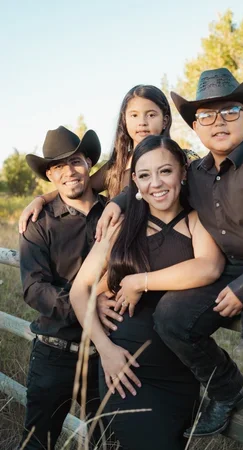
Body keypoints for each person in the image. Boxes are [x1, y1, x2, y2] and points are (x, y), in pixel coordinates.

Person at [95, 68, 243, 450]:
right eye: (206, 115)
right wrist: (119, 202)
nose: (217, 121)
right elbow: (157, 178)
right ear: (196, 126)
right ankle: (227, 388)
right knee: (171, 316)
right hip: (232, 270)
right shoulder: (198, 171)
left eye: (230, 111)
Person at [69, 135, 225, 450]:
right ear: (136, 184)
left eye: (165, 171)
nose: (156, 183)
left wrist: (139, 281)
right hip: (126, 370)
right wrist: (105, 349)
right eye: (144, 175)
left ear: (183, 172)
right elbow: (78, 292)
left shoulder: (197, 221)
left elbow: (209, 267)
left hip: (180, 371)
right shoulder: (121, 227)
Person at [19, 126, 106, 449]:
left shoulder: (114, 213)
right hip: (55, 352)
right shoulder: (38, 225)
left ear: (89, 164)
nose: (69, 171)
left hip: (104, 356)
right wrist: (88, 307)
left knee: (107, 441)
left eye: (76, 161)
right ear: (50, 176)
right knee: (39, 442)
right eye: (58, 166)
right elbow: (34, 288)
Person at [18, 84, 199, 234]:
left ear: (165, 120)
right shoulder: (117, 165)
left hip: (175, 239)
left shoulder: (183, 159)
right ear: (125, 121)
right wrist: (41, 199)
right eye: (134, 115)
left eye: (151, 115)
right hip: (126, 248)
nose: (142, 122)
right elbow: (80, 184)